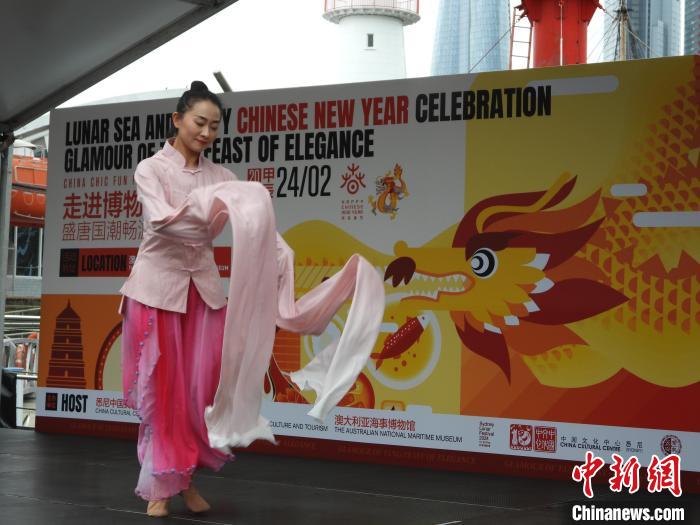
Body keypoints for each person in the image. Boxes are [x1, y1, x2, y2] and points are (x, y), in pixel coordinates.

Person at [120, 81, 235, 517]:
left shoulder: (222, 177)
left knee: (197, 393)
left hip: (201, 292)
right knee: (161, 392)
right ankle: (159, 485)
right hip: (156, 291)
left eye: (214, 126)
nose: (206, 133)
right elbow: (163, 222)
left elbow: (242, 222)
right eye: (199, 122)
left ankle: (184, 478)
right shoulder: (150, 169)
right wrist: (211, 213)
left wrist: (254, 209)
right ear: (177, 119)